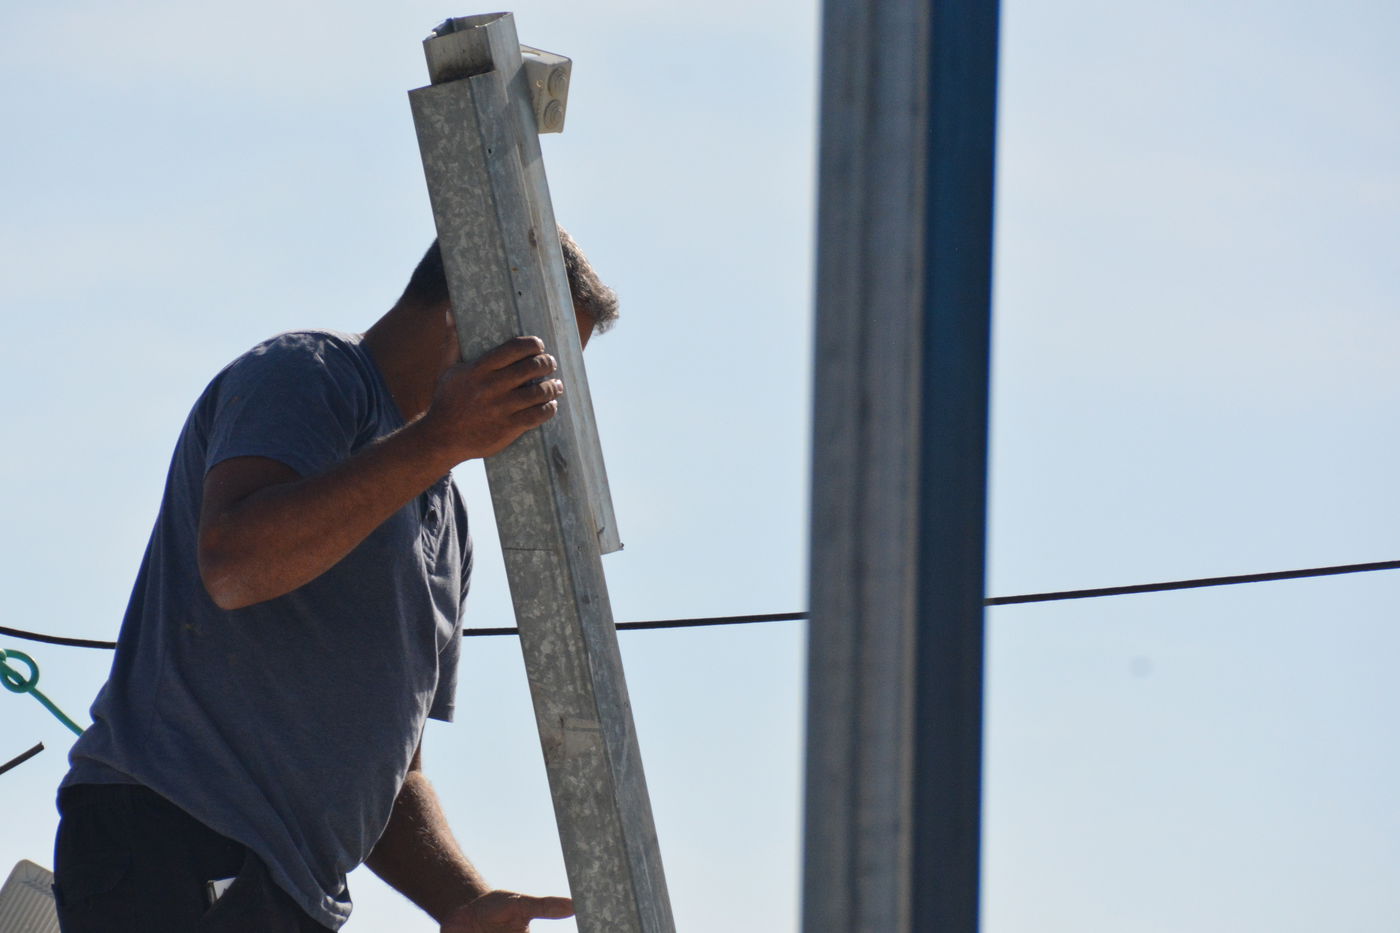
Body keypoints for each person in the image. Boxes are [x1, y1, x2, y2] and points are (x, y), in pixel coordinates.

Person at [52, 228, 618, 933]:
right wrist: (439, 437)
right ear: (468, 316)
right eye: (538, 368)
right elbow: (234, 563)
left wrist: (461, 900)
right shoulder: (306, 374)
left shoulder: (446, 517)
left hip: (285, 890)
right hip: (175, 838)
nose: (547, 401)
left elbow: (390, 777)